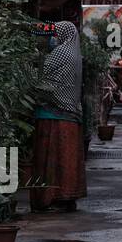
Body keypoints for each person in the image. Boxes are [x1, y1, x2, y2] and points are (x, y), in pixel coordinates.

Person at [31, 21, 87, 213]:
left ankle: (48, 198)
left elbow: (39, 73)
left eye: (56, 33)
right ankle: (67, 197)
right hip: (72, 115)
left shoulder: (61, 53)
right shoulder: (76, 54)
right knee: (68, 160)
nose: (53, 38)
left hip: (54, 114)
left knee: (50, 159)